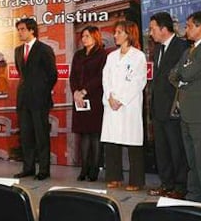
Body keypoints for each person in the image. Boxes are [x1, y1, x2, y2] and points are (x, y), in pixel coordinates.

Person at [170, 11, 201, 204]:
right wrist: (182, 74)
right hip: (187, 112)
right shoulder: (188, 51)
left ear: (200, 27)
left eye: (189, 26)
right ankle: (194, 196)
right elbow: (172, 74)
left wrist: (182, 74)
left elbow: (187, 73)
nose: (185, 29)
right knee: (192, 159)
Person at [100, 20, 147, 191]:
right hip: (112, 105)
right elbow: (106, 79)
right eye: (115, 32)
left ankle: (136, 180)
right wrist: (110, 97)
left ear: (129, 33)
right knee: (112, 142)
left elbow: (138, 81)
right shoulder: (111, 56)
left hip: (129, 105)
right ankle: (114, 177)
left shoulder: (138, 56)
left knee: (133, 143)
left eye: (119, 32)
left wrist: (121, 99)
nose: (115, 35)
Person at [148, 12, 188, 199]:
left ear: (164, 29)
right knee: (161, 149)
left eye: (153, 28)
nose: (151, 33)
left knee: (176, 149)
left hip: (174, 108)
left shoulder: (182, 47)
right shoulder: (157, 49)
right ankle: (166, 184)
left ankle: (180, 187)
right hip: (157, 108)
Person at [13, 18, 58, 181]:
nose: (20, 32)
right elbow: (21, 73)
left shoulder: (44, 49)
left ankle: (44, 170)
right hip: (23, 99)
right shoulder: (18, 50)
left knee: (41, 135)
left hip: (40, 99)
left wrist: (42, 90)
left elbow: (53, 74)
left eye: (23, 29)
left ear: (32, 30)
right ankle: (28, 168)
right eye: (18, 29)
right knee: (25, 135)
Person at [69, 26, 107, 182]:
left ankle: (94, 170)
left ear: (95, 37)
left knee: (95, 135)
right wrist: (76, 92)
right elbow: (73, 76)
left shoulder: (102, 54)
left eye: (87, 36)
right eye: (83, 36)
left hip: (95, 98)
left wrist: (85, 91)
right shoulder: (78, 55)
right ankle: (83, 169)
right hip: (79, 100)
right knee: (83, 134)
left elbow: (100, 77)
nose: (83, 39)